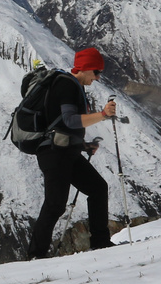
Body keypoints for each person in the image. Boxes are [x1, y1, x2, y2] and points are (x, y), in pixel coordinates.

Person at [27, 47, 121, 257]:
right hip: (54, 153)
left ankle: (101, 242)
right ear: (86, 68)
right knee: (55, 204)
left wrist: (83, 145)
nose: (97, 78)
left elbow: (61, 124)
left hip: (65, 151)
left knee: (97, 188)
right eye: (96, 72)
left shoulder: (71, 85)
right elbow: (69, 120)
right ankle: (35, 254)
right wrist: (103, 115)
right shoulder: (66, 85)